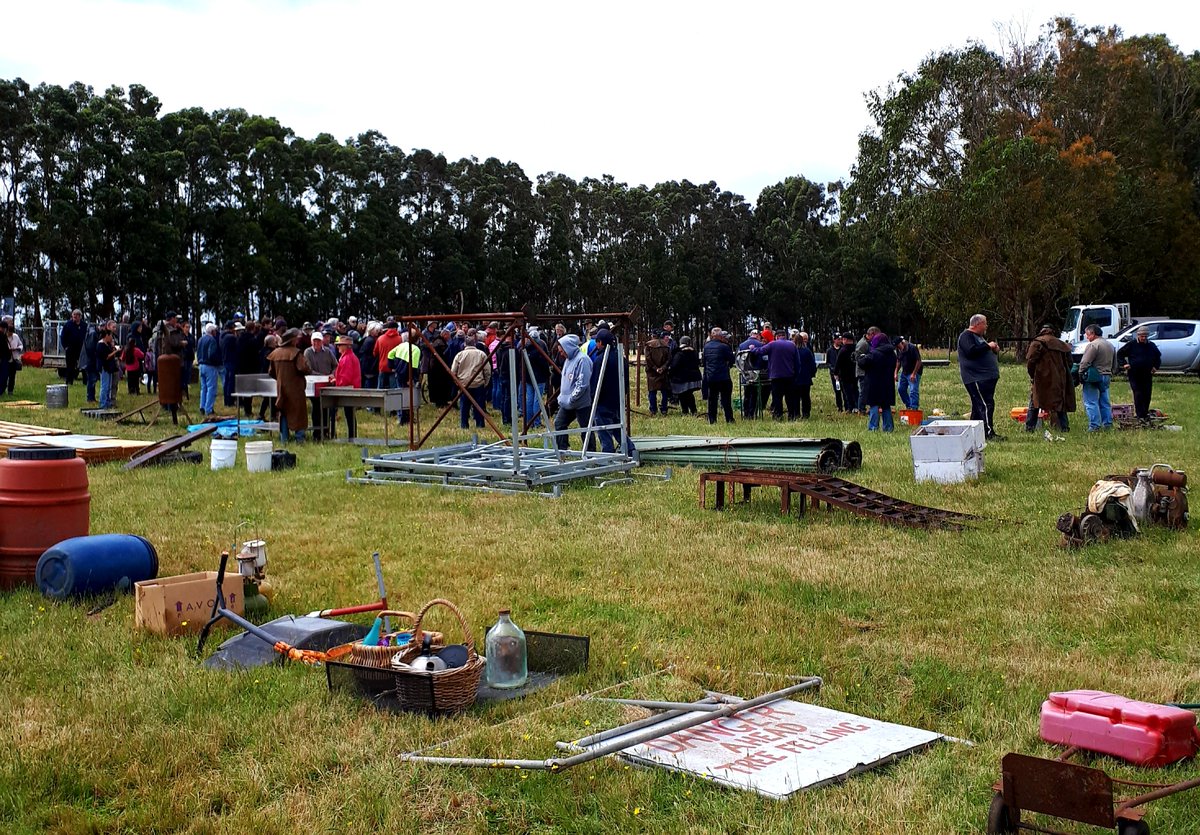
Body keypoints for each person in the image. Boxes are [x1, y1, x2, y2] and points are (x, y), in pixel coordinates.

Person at [958, 314, 1003, 440]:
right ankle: (989, 433)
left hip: (985, 378)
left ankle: (975, 432)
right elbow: (971, 351)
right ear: (978, 324)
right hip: (975, 378)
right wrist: (988, 346)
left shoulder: (979, 337)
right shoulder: (966, 336)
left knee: (978, 406)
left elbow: (981, 350)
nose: (986, 326)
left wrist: (992, 349)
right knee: (985, 405)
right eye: (985, 323)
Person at [1024, 325, 1074, 432]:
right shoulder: (1061, 344)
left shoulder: (1037, 343)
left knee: (1035, 402)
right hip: (1059, 378)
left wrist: (1033, 376)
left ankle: (1029, 427)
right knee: (1059, 403)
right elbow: (1069, 363)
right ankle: (1064, 427)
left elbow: (1030, 362)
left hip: (1041, 378)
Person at [268, 329, 310, 443]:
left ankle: (284, 439)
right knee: (299, 413)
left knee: (284, 412)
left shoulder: (275, 353)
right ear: (292, 340)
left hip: (281, 388)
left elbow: (271, 372)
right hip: (296, 389)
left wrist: (281, 378)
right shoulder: (296, 353)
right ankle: (299, 439)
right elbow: (304, 368)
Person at [554, 334, 593, 451]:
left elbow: (582, 384)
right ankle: (562, 450)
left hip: (581, 403)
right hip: (566, 402)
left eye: (562, 351)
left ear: (568, 348)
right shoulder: (567, 360)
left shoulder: (583, 360)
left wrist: (572, 398)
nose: (561, 354)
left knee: (585, 429)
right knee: (559, 424)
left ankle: (591, 454)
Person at [589, 329, 627, 452]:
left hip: (603, 401)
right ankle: (630, 449)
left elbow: (595, 382)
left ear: (601, 343)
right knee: (617, 428)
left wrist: (593, 399)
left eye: (597, 342)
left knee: (603, 430)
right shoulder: (621, 358)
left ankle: (608, 454)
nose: (596, 345)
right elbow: (625, 380)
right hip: (617, 400)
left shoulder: (599, 360)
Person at [1117, 325, 1162, 423]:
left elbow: (1158, 357)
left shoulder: (1151, 345)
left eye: (1145, 336)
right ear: (1138, 335)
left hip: (1147, 373)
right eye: (1142, 336)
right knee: (1138, 393)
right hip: (1134, 373)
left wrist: (1155, 367)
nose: (1144, 338)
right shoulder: (1131, 344)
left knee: (1147, 394)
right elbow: (1119, 354)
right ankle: (1139, 415)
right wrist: (1124, 364)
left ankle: (1145, 414)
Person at [752, 331, 800, 420]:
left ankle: (778, 415)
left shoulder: (772, 344)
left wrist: (752, 349)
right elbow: (797, 362)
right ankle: (792, 416)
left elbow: (760, 351)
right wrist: (795, 375)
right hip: (789, 376)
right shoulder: (792, 345)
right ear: (785, 336)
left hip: (776, 376)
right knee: (790, 397)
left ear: (776, 336)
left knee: (777, 397)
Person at [1078, 323, 1116, 432]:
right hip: (1106, 375)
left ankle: (1094, 426)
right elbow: (1115, 363)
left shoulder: (1093, 345)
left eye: (1087, 334)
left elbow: (1085, 361)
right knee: (1105, 401)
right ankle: (1107, 424)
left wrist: (1080, 373)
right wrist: (1110, 372)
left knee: (1091, 402)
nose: (1086, 337)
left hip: (1094, 376)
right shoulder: (1109, 345)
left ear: (1093, 334)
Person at [451, 334, 491, 429]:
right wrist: (485, 382)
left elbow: (453, 371)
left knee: (464, 406)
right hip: (478, 383)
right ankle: (480, 424)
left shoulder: (459, 355)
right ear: (475, 344)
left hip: (464, 384)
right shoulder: (481, 354)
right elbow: (487, 370)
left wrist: (457, 382)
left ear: (465, 344)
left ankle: (464, 425)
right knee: (479, 406)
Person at [859, 332, 897, 431]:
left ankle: (873, 427)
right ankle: (888, 427)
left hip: (874, 383)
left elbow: (863, 363)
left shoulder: (874, 353)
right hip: (887, 384)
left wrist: (861, 358)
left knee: (874, 405)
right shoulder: (892, 354)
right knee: (886, 406)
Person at [304, 331, 337, 439]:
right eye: (314, 341)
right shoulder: (307, 352)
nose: (316, 343)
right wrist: (323, 376)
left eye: (318, 341)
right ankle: (317, 433)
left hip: (327, 385)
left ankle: (326, 432)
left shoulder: (327, 352)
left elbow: (336, 365)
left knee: (327, 408)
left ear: (322, 341)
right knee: (317, 408)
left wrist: (332, 374)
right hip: (314, 386)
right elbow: (308, 370)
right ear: (311, 341)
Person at [702, 328, 735, 425]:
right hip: (723, 376)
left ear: (712, 336)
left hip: (711, 376)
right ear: (721, 336)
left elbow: (704, 361)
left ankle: (712, 419)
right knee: (726, 399)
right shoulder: (724, 346)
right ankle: (729, 419)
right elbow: (731, 360)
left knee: (712, 399)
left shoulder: (706, 346)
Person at [332, 335, 361, 440]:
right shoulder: (350, 357)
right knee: (350, 414)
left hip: (348, 390)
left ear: (347, 346)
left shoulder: (347, 358)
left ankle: (352, 437)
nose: (338, 347)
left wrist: (337, 383)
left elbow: (346, 378)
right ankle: (352, 436)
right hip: (352, 389)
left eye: (340, 345)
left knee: (349, 414)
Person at [668, 335, 703, 415]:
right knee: (689, 394)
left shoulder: (679, 353)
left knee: (682, 395)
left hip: (681, 378)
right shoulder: (694, 352)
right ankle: (693, 410)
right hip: (693, 377)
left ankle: (685, 411)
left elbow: (674, 365)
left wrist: (670, 373)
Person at [736, 329, 764, 418]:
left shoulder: (742, 345)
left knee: (746, 393)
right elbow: (763, 359)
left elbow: (737, 359)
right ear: (758, 335)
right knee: (754, 394)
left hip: (745, 373)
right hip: (756, 373)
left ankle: (746, 413)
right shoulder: (760, 345)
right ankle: (752, 413)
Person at [196, 323, 222, 417]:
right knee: (211, 388)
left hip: (201, 365)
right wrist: (218, 361)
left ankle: (202, 406)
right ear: (212, 331)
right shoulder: (212, 340)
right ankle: (209, 409)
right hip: (210, 366)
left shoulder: (200, 339)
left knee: (204, 388)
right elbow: (211, 354)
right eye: (215, 330)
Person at [645, 331, 672, 417]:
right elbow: (669, 359)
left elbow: (648, 359)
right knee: (664, 391)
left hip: (652, 372)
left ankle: (653, 410)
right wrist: (663, 368)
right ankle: (664, 409)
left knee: (652, 391)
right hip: (663, 372)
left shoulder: (648, 345)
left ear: (652, 336)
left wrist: (655, 368)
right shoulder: (666, 345)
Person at [853, 327, 879, 414]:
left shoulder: (869, 343)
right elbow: (858, 358)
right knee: (863, 391)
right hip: (862, 372)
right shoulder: (862, 344)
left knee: (867, 390)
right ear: (871, 334)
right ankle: (861, 409)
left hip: (867, 371)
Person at [894, 336, 923, 410]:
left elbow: (918, 361)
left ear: (902, 343)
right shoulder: (899, 350)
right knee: (901, 389)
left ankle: (914, 408)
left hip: (914, 371)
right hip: (905, 372)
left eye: (898, 346)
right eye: (896, 347)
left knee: (913, 390)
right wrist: (896, 372)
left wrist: (914, 374)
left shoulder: (912, 348)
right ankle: (908, 405)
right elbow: (899, 361)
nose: (898, 348)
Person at [793, 332, 817, 419]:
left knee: (795, 397)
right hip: (806, 378)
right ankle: (806, 414)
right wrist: (812, 373)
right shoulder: (807, 351)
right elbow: (812, 364)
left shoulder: (793, 351)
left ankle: (796, 413)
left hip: (795, 378)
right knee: (806, 397)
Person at [374, 321, 403, 389]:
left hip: (382, 366)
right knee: (393, 389)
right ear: (396, 328)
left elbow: (375, 353)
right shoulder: (400, 339)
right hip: (394, 366)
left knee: (380, 387)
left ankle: (378, 399)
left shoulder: (380, 338)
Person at [60, 310, 86, 384]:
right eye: (73, 314)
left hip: (81, 349)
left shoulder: (84, 325)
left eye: (77, 315)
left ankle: (85, 381)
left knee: (84, 365)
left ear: (80, 316)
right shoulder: (68, 325)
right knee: (70, 366)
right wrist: (65, 346)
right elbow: (63, 336)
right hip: (70, 349)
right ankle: (69, 381)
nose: (75, 316)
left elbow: (87, 336)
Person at [835, 333, 859, 413]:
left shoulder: (843, 350)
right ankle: (857, 406)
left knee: (847, 392)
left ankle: (850, 407)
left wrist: (836, 373)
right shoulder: (857, 348)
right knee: (855, 390)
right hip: (855, 373)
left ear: (846, 340)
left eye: (843, 339)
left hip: (845, 375)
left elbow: (838, 362)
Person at [97, 328, 119, 409]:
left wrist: (113, 347)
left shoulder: (107, 344)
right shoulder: (101, 345)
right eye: (110, 336)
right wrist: (115, 351)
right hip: (104, 367)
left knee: (109, 386)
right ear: (106, 335)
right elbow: (106, 357)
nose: (111, 338)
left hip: (109, 367)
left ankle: (107, 402)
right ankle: (103, 403)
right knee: (105, 386)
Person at [220, 321, 239, 408]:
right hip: (231, 360)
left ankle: (226, 400)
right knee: (231, 382)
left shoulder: (222, 336)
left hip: (225, 360)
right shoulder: (232, 337)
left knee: (226, 381)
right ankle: (230, 400)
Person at [4, 317, 22, 394]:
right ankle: (2, 389)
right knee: (4, 375)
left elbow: (21, 345)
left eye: (11, 332)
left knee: (12, 376)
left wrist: (17, 348)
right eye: (9, 332)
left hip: (14, 358)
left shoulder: (16, 337)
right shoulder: (3, 337)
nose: (10, 334)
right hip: (6, 359)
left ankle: (10, 390)